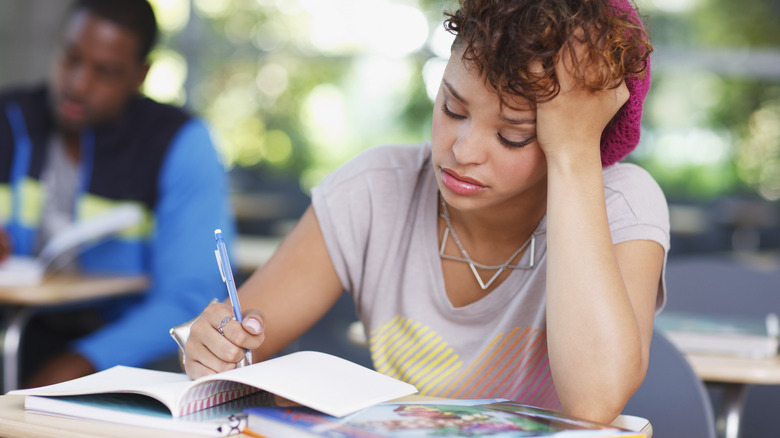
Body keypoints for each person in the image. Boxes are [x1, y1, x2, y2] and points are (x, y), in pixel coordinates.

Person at [182, 0, 668, 424]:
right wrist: (217, 347)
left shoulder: (621, 204)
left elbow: (594, 402)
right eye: (454, 108)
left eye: (512, 135)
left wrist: (576, 154)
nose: (463, 150)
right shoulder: (373, 190)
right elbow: (241, 349)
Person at [0, 0, 235, 387]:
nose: (78, 84)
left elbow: (192, 297)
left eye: (105, 72)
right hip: (14, 337)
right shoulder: (10, 119)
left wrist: (86, 360)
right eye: (71, 58)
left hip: (126, 356)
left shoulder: (178, 142)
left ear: (140, 75)